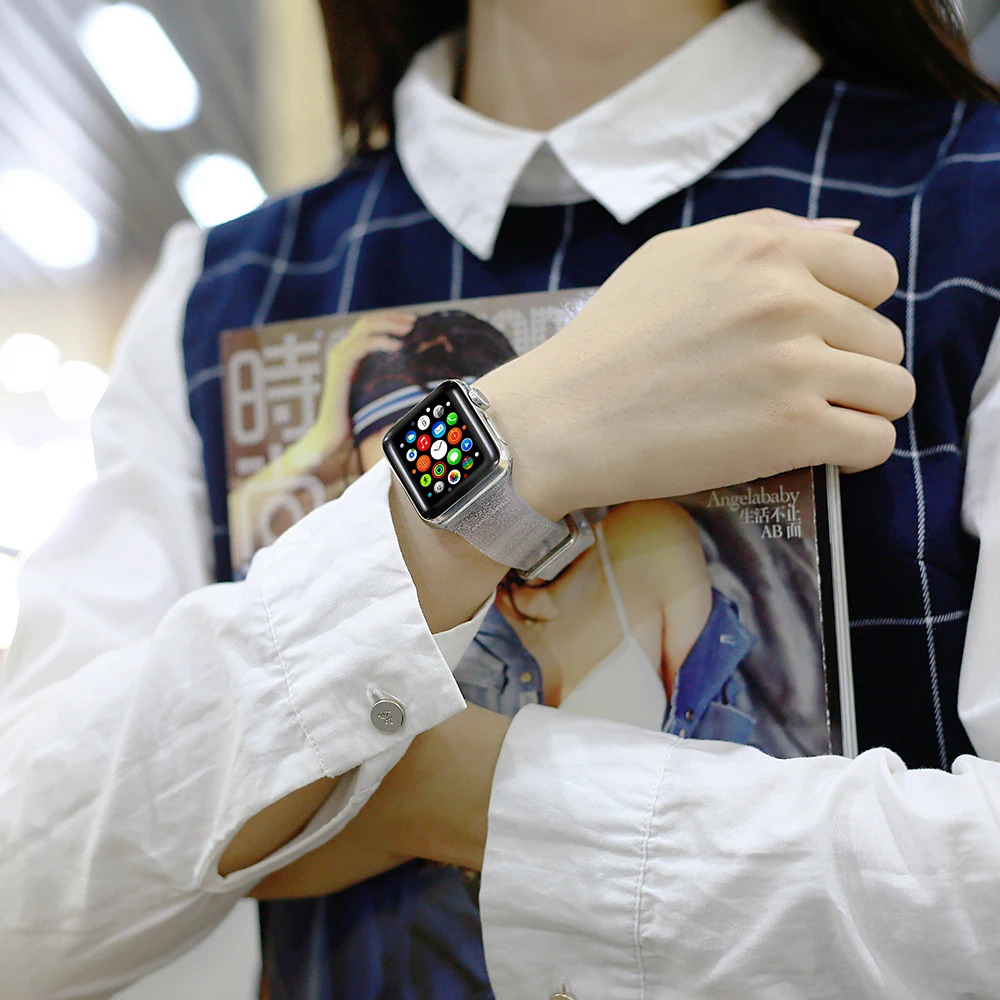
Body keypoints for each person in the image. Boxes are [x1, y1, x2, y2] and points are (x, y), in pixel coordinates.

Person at [3, 3, 1000, 1000]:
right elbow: (23, 891)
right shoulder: (217, 289)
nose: (532, 572)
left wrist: (456, 790)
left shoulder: (968, 202)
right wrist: (505, 449)